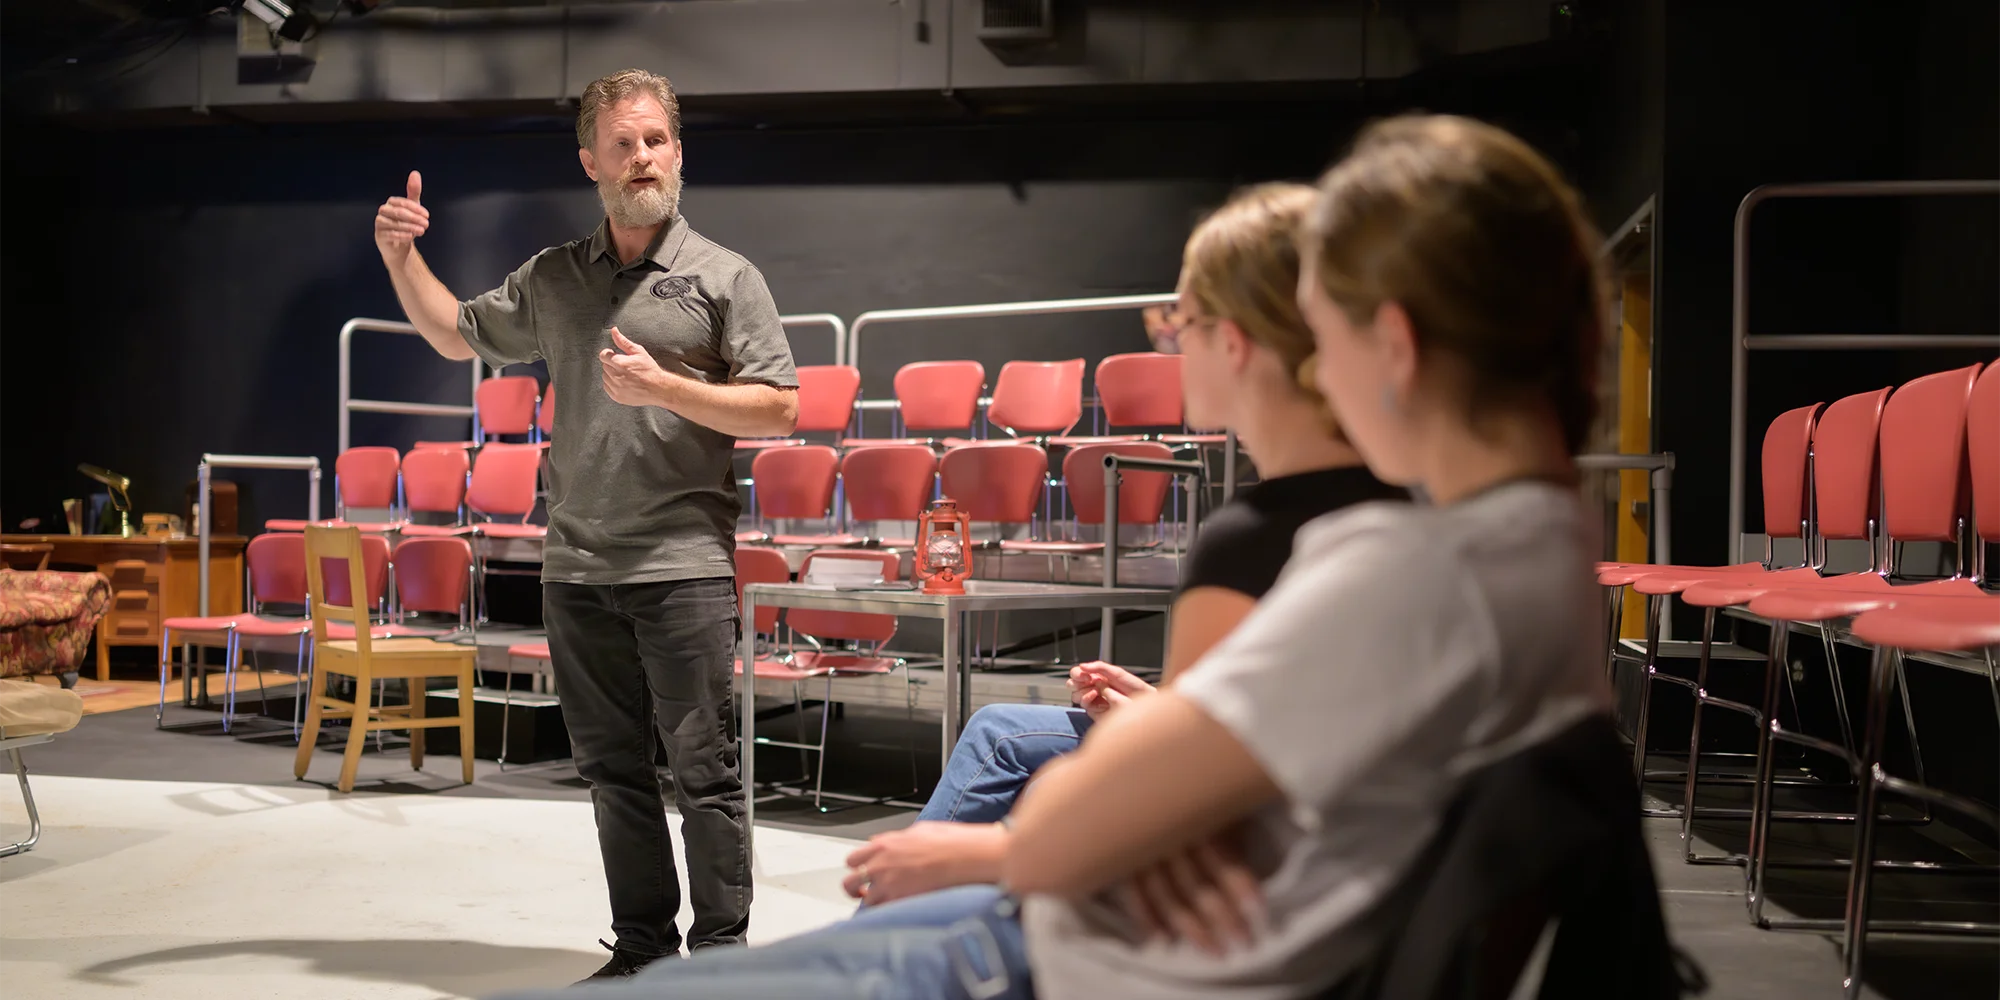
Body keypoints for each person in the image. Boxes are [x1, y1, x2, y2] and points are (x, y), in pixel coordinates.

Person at [493, 113, 1611, 1000]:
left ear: (1394, 344)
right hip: (1104, 929)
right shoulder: (1542, 543)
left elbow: (1093, 830)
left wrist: (1041, 843)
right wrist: (1170, 786)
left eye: (1324, 326)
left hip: (1080, 959)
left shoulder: (1399, 567)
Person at [839, 183, 1406, 907]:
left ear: (1230, 343)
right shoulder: (1386, 502)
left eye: (1182, 324)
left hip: (1229, 900)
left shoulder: (1253, 538)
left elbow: (1189, 788)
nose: (1168, 344)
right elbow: (1280, 723)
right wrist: (1161, 707)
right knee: (1001, 728)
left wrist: (987, 854)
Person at [373, 69, 799, 980]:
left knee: (707, 776)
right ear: (590, 161)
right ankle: (643, 951)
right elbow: (455, 333)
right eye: (622, 144)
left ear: (676, 152)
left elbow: (777, 410)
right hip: (577, 568)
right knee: (613, 775)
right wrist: (401, 258)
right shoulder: (556, 278)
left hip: (682, 566)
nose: (641, 157)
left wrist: (666, 386)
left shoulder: (727, 277)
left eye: (655, 141)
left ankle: (721, 963)